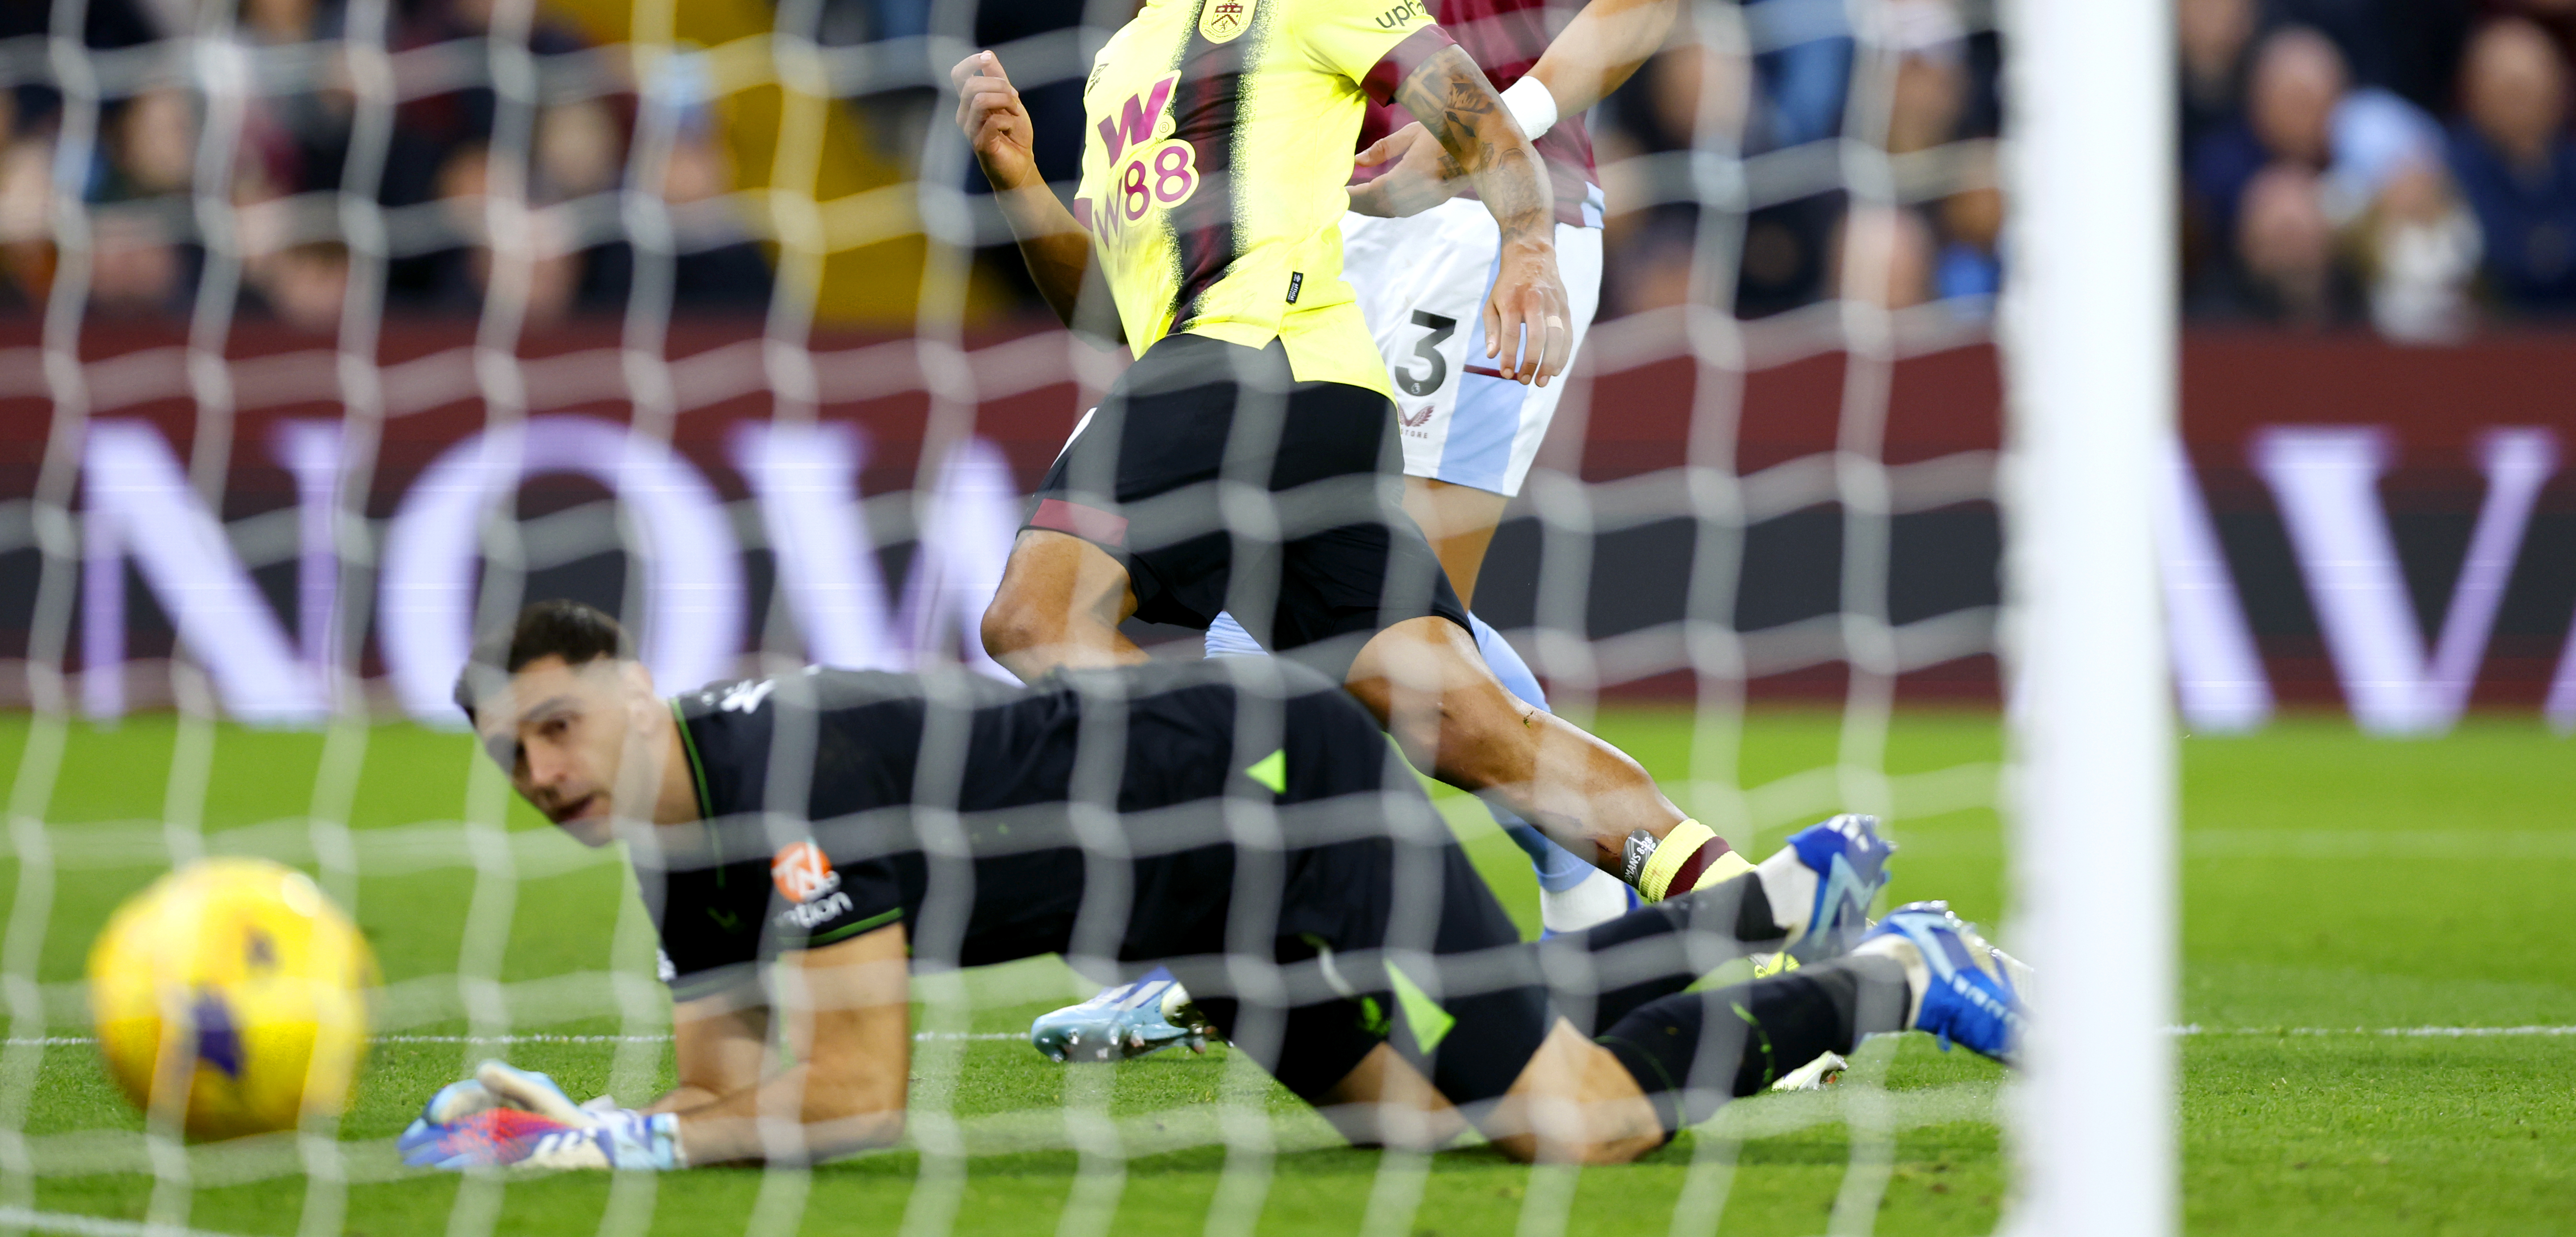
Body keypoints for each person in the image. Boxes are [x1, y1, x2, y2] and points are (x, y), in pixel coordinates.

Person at [952, 0, 1794, 919]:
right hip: (1291, 412)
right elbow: (1104, 309)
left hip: (1261, 359)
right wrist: (1017, 178)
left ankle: (1268, 831)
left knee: (1035, 617)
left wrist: (1524, 250)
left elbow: (1477, 117)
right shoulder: (1119, 63)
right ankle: (1761, 906)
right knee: (1464, 720)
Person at [398, 602, 2024, 1170]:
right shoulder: (682, 854)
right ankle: (1752, 907)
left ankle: (1891, 969)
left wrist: (610, 1133)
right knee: (1418, 1117)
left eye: (555, 727)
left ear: (629, 691)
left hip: (1264, 780)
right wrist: (592, 1122)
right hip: (1179, 905)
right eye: (511, 757)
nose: (542, 774)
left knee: (1566, 1122)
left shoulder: (790, 779)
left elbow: (851, 1092)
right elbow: (714, 1088)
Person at [1198, 0, 1713, 938]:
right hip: (1390, 223)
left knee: (1387, 601)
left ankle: (1268, 928)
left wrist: (1502, 148)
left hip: (1490, 226)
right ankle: (1591, 880)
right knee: (1349, 594)